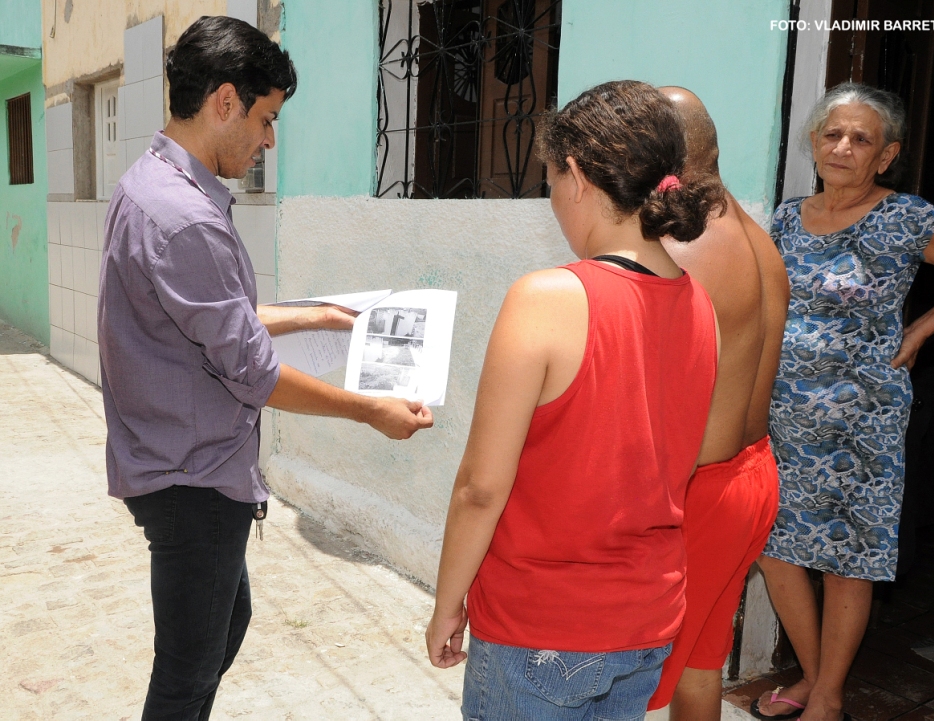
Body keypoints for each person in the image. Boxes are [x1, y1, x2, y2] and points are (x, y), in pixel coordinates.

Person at [98, 17, 432, 720]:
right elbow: (252, 370)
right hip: (190, 474)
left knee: (224, 627)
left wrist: (315, 314)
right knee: (187, 671)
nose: (268, 140)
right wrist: (369, 409)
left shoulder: (149, 184)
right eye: (266, 118)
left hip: (176, 458)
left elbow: (211, 314)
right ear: (225, 101)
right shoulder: (183, 216)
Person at [424, 80, 725, 718]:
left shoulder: (546, 298)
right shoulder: (701, 303)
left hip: (542, 627)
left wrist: (448, 602)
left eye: (551, 179)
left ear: (578, 176)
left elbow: (481, 486)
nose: (553, 199)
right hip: (647, 621)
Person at [754, 82, 934, 721]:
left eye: (860, 138)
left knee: (850, 556)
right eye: (831, 134)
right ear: (814, 143)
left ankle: (829, 696)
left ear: (886, 155)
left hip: (862, 419)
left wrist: (921, 330)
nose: (842, 146)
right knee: (774, 545)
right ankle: (815, 681)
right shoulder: (786, 218)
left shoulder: (909, 218)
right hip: (782, 413)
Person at [646, 87, 790, 720]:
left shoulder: (680, 249)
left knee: (624, 667)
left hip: (700, 492)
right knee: (700, 661)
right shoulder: (756, 238)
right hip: (753, 473)